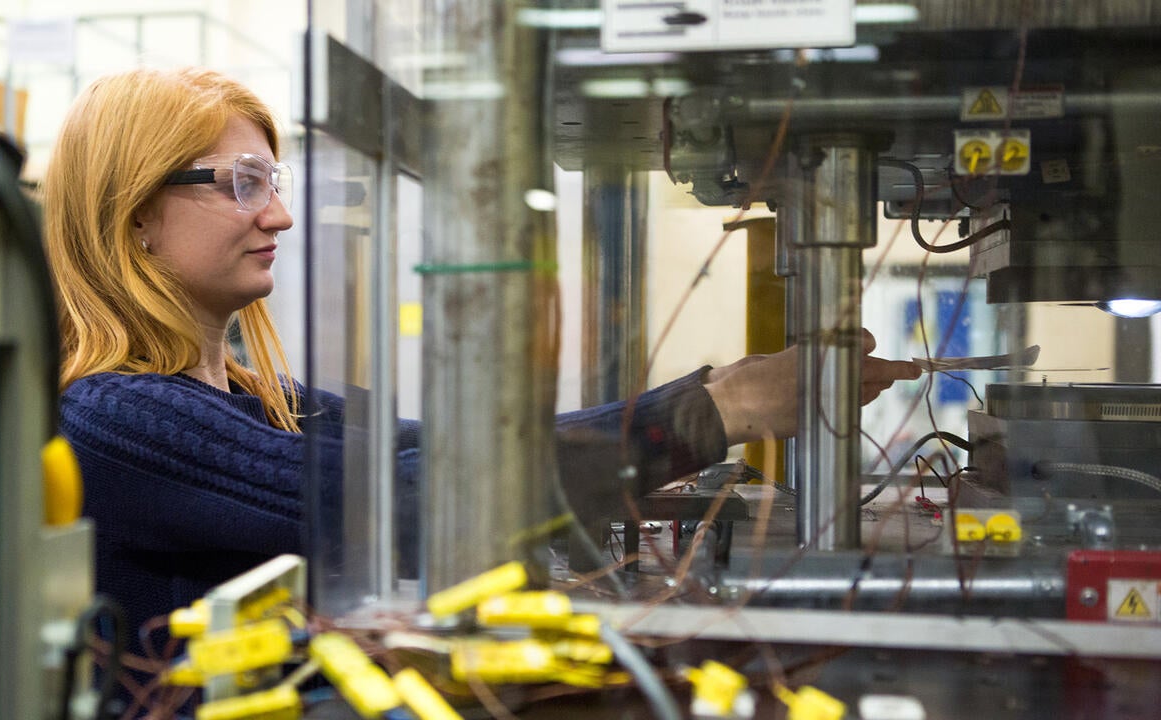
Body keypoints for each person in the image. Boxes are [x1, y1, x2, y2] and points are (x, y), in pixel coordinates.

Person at [45, 67, 921, 645]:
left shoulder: (260, 397)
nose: (278, 214)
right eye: (243, 184)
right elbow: (410, 502)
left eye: (273, 182)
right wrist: (720, 414)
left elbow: (447, 453)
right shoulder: (114, 418)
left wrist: (721, 391)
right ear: (137, 216)